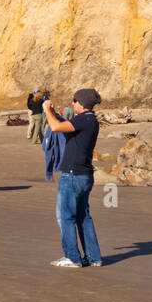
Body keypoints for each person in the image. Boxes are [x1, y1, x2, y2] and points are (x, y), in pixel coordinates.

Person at [42, 89, 103, 268]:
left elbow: (55, 127)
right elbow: (64, 125)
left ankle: (72, 257)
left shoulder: (85, 119)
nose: (72, 104)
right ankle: (93, 257)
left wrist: (46, 109)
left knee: (65, 217)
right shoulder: (88, 120)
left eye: (75, 101)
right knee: (83, 216)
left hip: (73, 175)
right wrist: (52, 112)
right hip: (83, 175)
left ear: (82, 104)